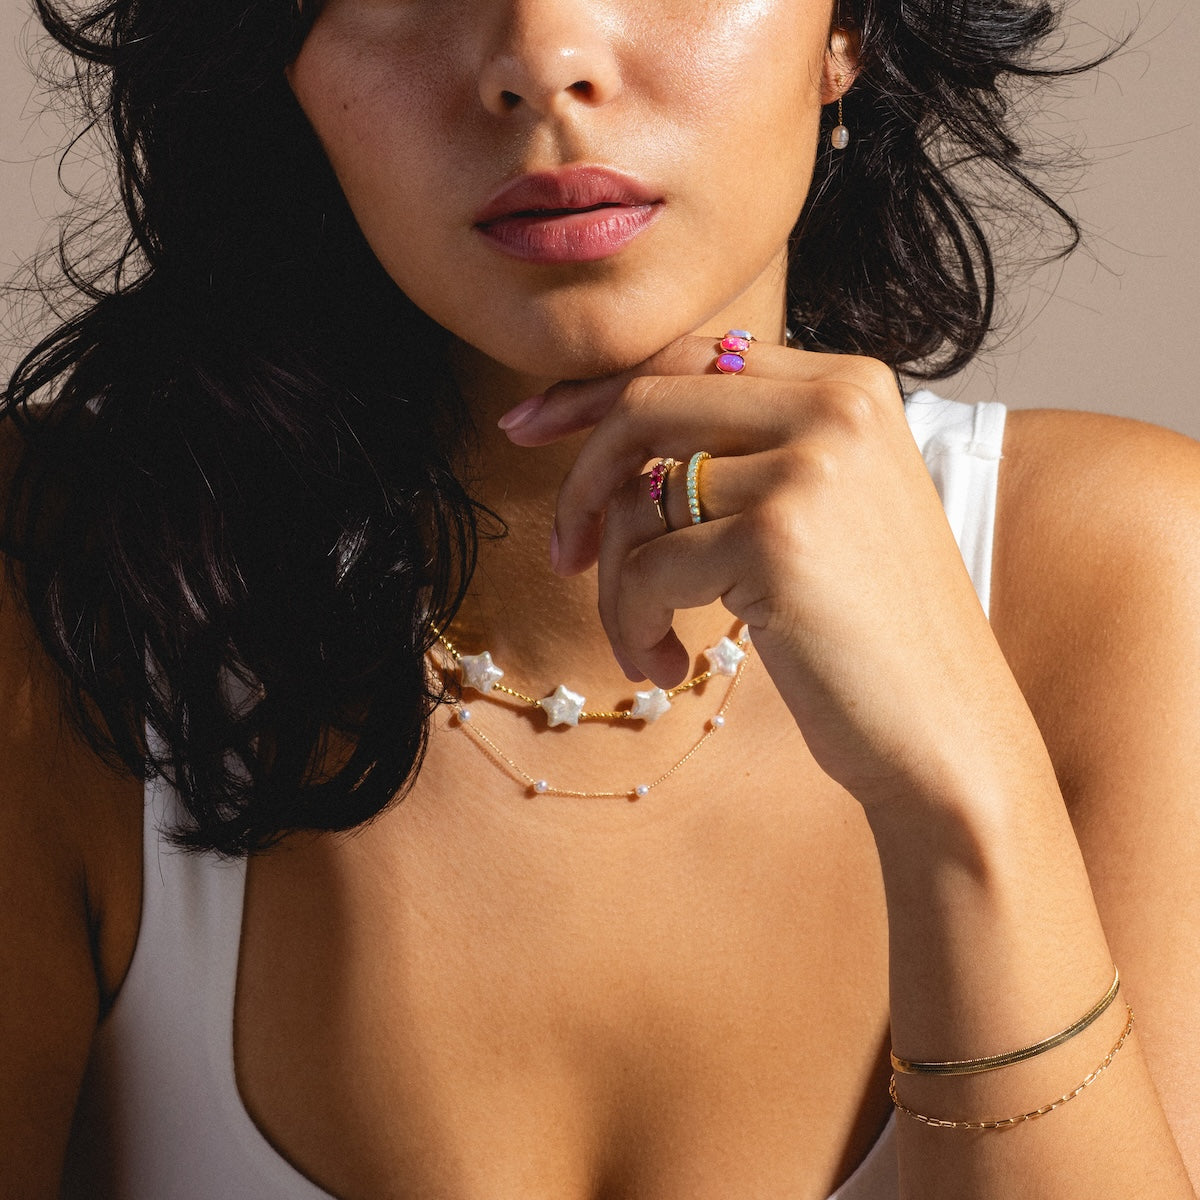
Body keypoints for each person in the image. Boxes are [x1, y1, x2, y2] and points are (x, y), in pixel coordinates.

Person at [2, 0, 1198, 1195]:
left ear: (851, 30)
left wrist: (963, 796)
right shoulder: (54, 592)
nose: (544, 59)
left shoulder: (1125, 574)